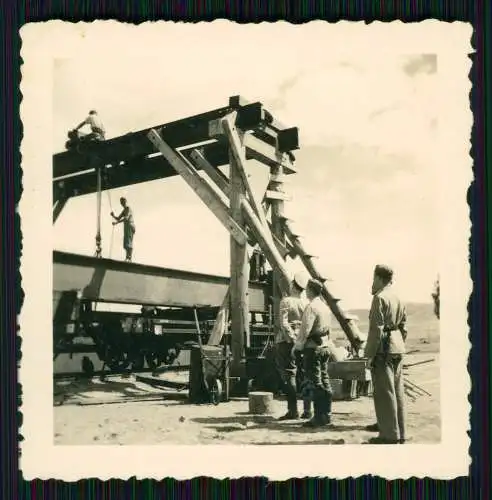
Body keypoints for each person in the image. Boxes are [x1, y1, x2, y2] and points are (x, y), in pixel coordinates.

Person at [364, 264, 408, 444]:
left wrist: (369, 355)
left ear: (380, 278)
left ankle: (389, 435)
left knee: (384, 392)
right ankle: (400, 433)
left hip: (383, 348)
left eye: (374, 277)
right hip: (397, 346)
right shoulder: (398, 297)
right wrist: (399, 343)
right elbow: (404, 326)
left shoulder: (379, 298)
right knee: (398, 391)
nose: (373, 281)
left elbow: (376, 330)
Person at [294, 279, 333, 428]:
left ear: (310, 290)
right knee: (325, 380)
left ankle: (318, 417)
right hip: (324, 347)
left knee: (315, 383)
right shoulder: (325, 307)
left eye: (307, 289)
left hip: (313, 349)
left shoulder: (311, 307)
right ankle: (326, 414)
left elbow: (305, 330)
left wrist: (297, 348)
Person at [274, 273, 309, 421]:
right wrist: (300, 340)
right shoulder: (306, 303)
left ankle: (293, 410)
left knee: (289, 375)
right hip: (303, 342)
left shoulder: (286, 301)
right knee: (306, 375)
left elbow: (283, 323)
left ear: (294, 285)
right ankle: (307, 411)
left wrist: (293, 339)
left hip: (287, 342)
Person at [111, 197, 136, 262]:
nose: (122, 203)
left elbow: (126, 218)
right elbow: (118, 218)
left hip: (130, 226)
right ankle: (127, 257)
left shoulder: (128, 208)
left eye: (123, 202)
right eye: (121, 202)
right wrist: (113, 216)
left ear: (125, 201)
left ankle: (129, 258)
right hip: (126, 226)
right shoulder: (124, 210)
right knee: (126, 243)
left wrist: (116, 223)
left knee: (128, 241)